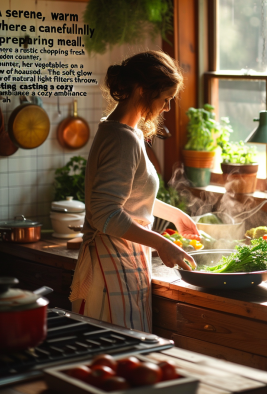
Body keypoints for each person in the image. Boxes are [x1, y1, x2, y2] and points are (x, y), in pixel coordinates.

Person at [70, 50, 200, 332]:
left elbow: (131, 196)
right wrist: (162, 243)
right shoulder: (122, 140)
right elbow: (106, 214)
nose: (167, 108)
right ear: (141, 90)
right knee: (119, 353)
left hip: (123, 255)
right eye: (165, 99)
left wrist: (175, 214)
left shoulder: (122, 131)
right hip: (112, 258)